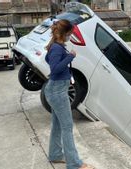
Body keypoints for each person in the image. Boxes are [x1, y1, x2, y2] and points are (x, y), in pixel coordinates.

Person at [44, 19, 94, 169]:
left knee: (58, 125)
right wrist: (70, 56)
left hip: (57, 89)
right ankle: (74, 163)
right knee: (67, 127)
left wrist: (65, 56)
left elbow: (48, 59)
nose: (70, 36)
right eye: (70, 34)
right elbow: (54, 68)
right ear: (65, 33)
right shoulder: (58, 49)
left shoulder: (56, 46)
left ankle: (55, 155)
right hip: (57, 91)